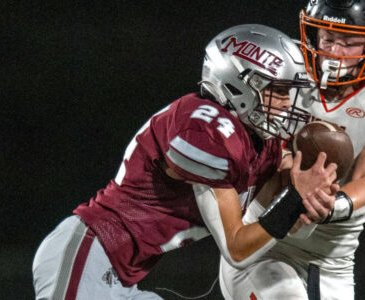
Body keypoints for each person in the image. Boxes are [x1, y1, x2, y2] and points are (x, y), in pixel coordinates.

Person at [31, 24, 340, 300]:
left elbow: (277, 225)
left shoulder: (264, 146)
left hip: (126, 277)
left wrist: (306, 202)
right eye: (279, 92)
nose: (288, 104)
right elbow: (237, 248)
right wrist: (294, 199)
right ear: (240, 84)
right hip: (92, 251)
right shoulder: (203, 126)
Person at [219, 1, 365, 299]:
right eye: (328, 38)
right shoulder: (281, 73)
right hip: (263, 240)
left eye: (349, 42)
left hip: (332, 261)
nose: (335, 51)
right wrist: (289, 180)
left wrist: (327, 205)